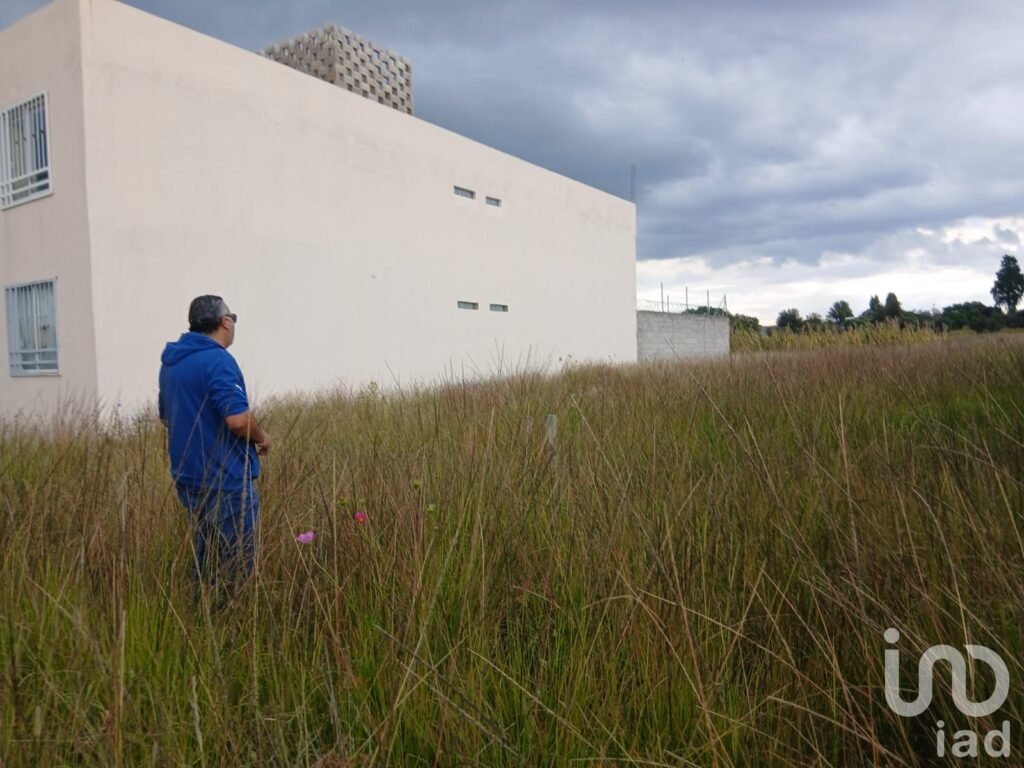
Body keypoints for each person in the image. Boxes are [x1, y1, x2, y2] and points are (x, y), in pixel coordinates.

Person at [158, 295, 270, 597]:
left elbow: (167, 419)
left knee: (206, 561)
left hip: (188, 480)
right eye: (233, 318)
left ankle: (202, 618)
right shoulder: (218, 360)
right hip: (226, 482)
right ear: (225, 322)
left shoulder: (172, 363)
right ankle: (233, 626)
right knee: (237, 567)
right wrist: (262, 438)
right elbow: (237, 420)